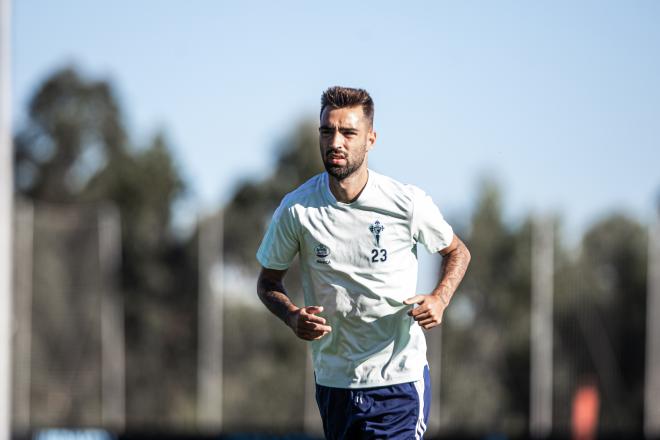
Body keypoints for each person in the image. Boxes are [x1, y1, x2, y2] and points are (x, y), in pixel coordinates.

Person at [256, 86, 471, 439]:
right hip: (334, 382)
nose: (335, 142)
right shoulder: (297, 209)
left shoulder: (406, 203)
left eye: (348, 132)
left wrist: (440, 298)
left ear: (370, 139)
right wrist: (292, 316)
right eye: (327, 131)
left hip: (397, 381)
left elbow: (457, 251)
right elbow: (267, 282)